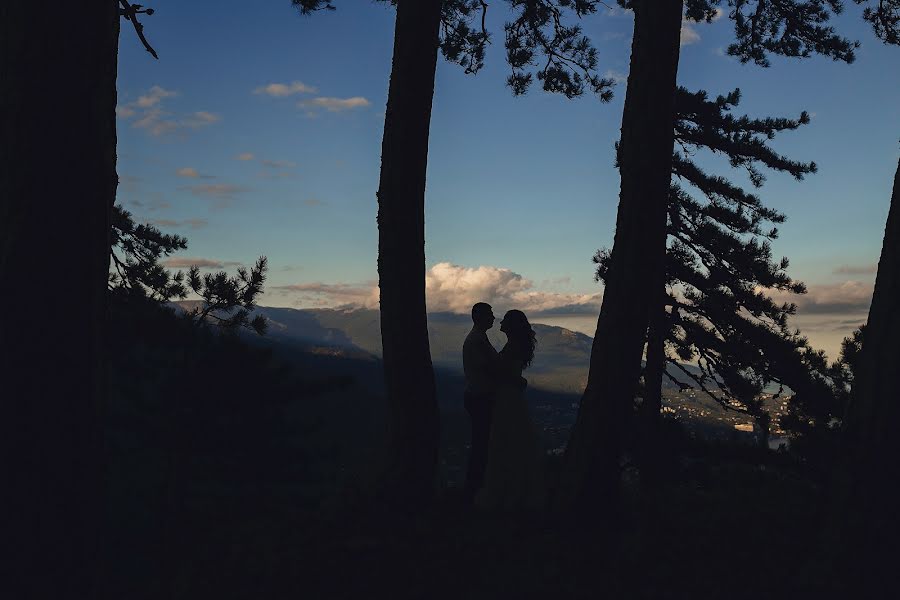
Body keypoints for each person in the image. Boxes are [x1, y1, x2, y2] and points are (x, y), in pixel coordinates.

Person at [476, 309, 546, 511]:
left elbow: (509, 374)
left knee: (506, 441)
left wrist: (490, 369)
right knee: (512, 441)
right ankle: (514, 492)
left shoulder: (513, 347)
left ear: (512, 325)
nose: (500, 323)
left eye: (505, 320)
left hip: (508, 398)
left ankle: (508, 494)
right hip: (509, 397)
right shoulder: (515, 346)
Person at [462, 302, 498, 502]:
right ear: (480, 317)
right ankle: (474, 489)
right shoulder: (477, 340)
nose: (493, 318)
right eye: (490, 314)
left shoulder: (479, 338)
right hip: (480, 397)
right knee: (481, 444)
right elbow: (487, 369)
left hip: (479, 395)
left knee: (482, 443)